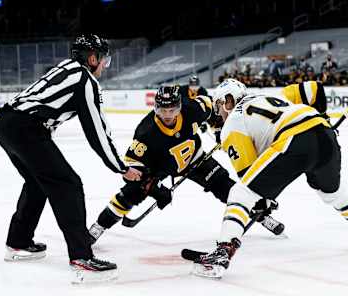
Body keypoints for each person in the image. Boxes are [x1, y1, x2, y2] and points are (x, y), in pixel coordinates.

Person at [191, 79, 348, 278]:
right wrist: (325, 118)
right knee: (333, 192)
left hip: (294, 139)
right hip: (324, 133)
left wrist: (262, 200)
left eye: (218, 107)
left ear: (227, 101)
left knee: (241, 193)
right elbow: (315, 89)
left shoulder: (232, 123)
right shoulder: (274, 95)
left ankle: (223, 251)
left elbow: (248, 177)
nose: (219, 114)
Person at [0, 34, 142, 282]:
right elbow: (97, 132)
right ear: (92, 58)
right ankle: (82, 257)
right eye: (104, 59)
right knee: (68, 184)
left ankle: (18, 242)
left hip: (6, 123)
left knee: (37, 183)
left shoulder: (66, 67)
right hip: (26, 129)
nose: (105, 65)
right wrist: (120, 167)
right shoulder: (86, 81)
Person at [88, 85, 286, 245]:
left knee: (227, 188)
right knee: (131, 192)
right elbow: (132, 171)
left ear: (180, 106)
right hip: (160, 168)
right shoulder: (145, 132)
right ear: (155, 107)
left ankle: (260, 216)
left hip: (197, 159)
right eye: (163, 109)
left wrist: (220, 129)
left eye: (172, 109)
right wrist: (154, 188)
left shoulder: (193, 108)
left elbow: (215, 110)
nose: (167, 114)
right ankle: (99, 226)